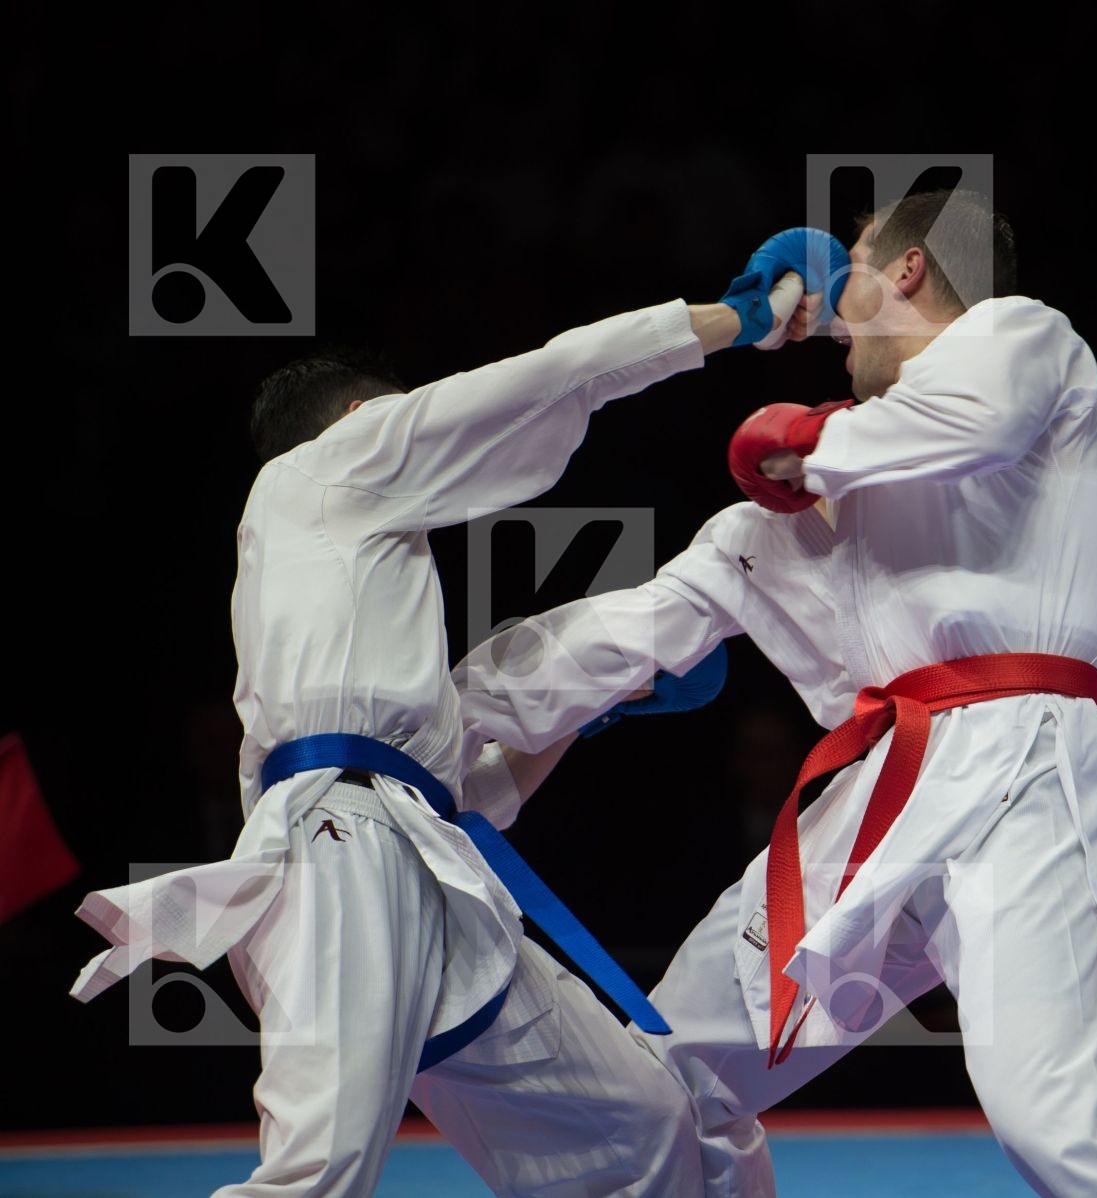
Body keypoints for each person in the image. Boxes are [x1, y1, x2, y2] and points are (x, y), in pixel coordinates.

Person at [457, 189, 1097, 1197]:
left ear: (911, 270)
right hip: (880, 798)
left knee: (1052, 1131)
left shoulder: (1027, 339)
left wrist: (810, 424)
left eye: (859, 278)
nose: (837, 338)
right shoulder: (795, 512)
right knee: (667, 1074)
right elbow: (630, 628)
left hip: (1022, 773)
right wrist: (439, 719)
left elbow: (977, 417)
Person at [66, 244, 821, 1198]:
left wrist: (587, 711)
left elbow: (471, 795)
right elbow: (557, 373)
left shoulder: (364, 610)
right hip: (339, 849)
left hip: (430, 863)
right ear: (360, 418)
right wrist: (731, 321)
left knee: (641, 1127)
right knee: (318, 1176)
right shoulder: (326, 467)